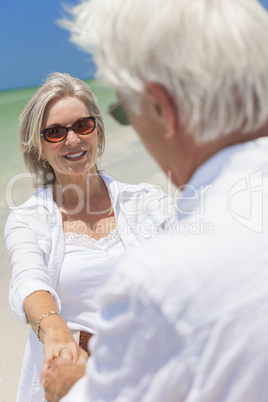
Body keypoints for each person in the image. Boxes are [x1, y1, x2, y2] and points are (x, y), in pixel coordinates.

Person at [43, 0, 268, 401]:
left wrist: (68, 387)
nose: (74, 139)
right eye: (56, 132)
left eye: (124, 113)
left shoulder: (160, 282)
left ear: (163, 111)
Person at [4, 72, 178, 402]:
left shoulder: (147, 201)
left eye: (82, 125)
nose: (72, 140)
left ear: (98, 131)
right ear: (39, 148)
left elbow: (195, 264)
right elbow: (29, 283)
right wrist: (54, 330)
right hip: (74, 378)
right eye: (55, 133)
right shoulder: (28, 219)